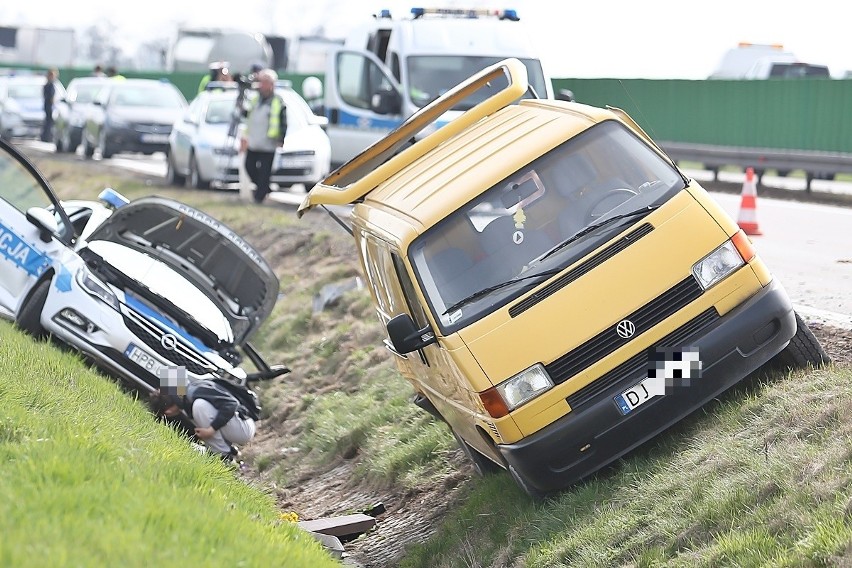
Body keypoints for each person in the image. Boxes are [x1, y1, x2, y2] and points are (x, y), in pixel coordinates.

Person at [150, 379, 257, 461]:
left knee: (199, 406)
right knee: (198, 409)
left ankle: (223, 456)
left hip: (244, 427)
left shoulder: (194, 394)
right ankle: (227, 452)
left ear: (167, 412)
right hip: (239, 425)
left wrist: (211, 429)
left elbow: (232, 404)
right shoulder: (186, 393)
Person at [239, 68, 287, 204]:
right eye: (261, 82)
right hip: (254, 141)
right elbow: (246, 116)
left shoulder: (278, 101)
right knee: (249, 166)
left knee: (265, 172)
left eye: (265, 82)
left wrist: (281, 138)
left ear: (272, 84)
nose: (262, 85)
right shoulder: (255, 100)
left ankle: (259, 197)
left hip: (268, 143)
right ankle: (263, 188)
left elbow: (283, 121)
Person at [41, 68, 58, 143]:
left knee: (48, 122)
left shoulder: (48, 84)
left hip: (47, 105)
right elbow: (50, 97)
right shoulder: (50, 85)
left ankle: (45, 137)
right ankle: (47, 137)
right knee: (49, 122)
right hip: (49, 106)